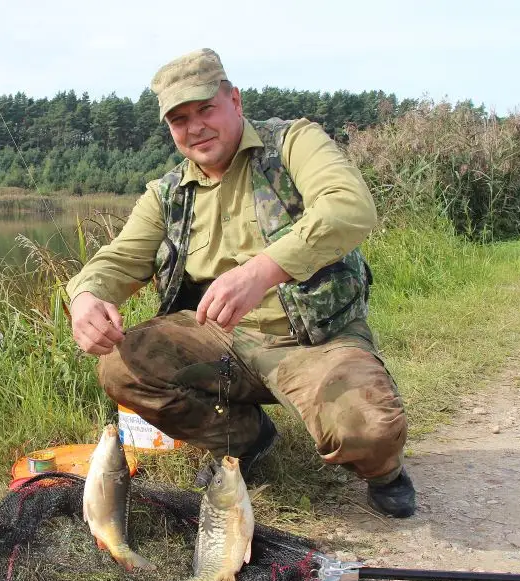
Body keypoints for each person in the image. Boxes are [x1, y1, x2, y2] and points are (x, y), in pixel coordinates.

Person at [65, 48, 416, 518]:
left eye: (205, 109)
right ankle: (246, 440)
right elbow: (120, 259)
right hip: (219, 339)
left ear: (235, 100)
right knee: (121, 364)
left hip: (315, 339)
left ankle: (384, 471)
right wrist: (86, 297)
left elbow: (349, 207)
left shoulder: (293, 143)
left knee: (366, 430)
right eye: (179, 119)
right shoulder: (167, 193)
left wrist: (263, 270)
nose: (195, 128)